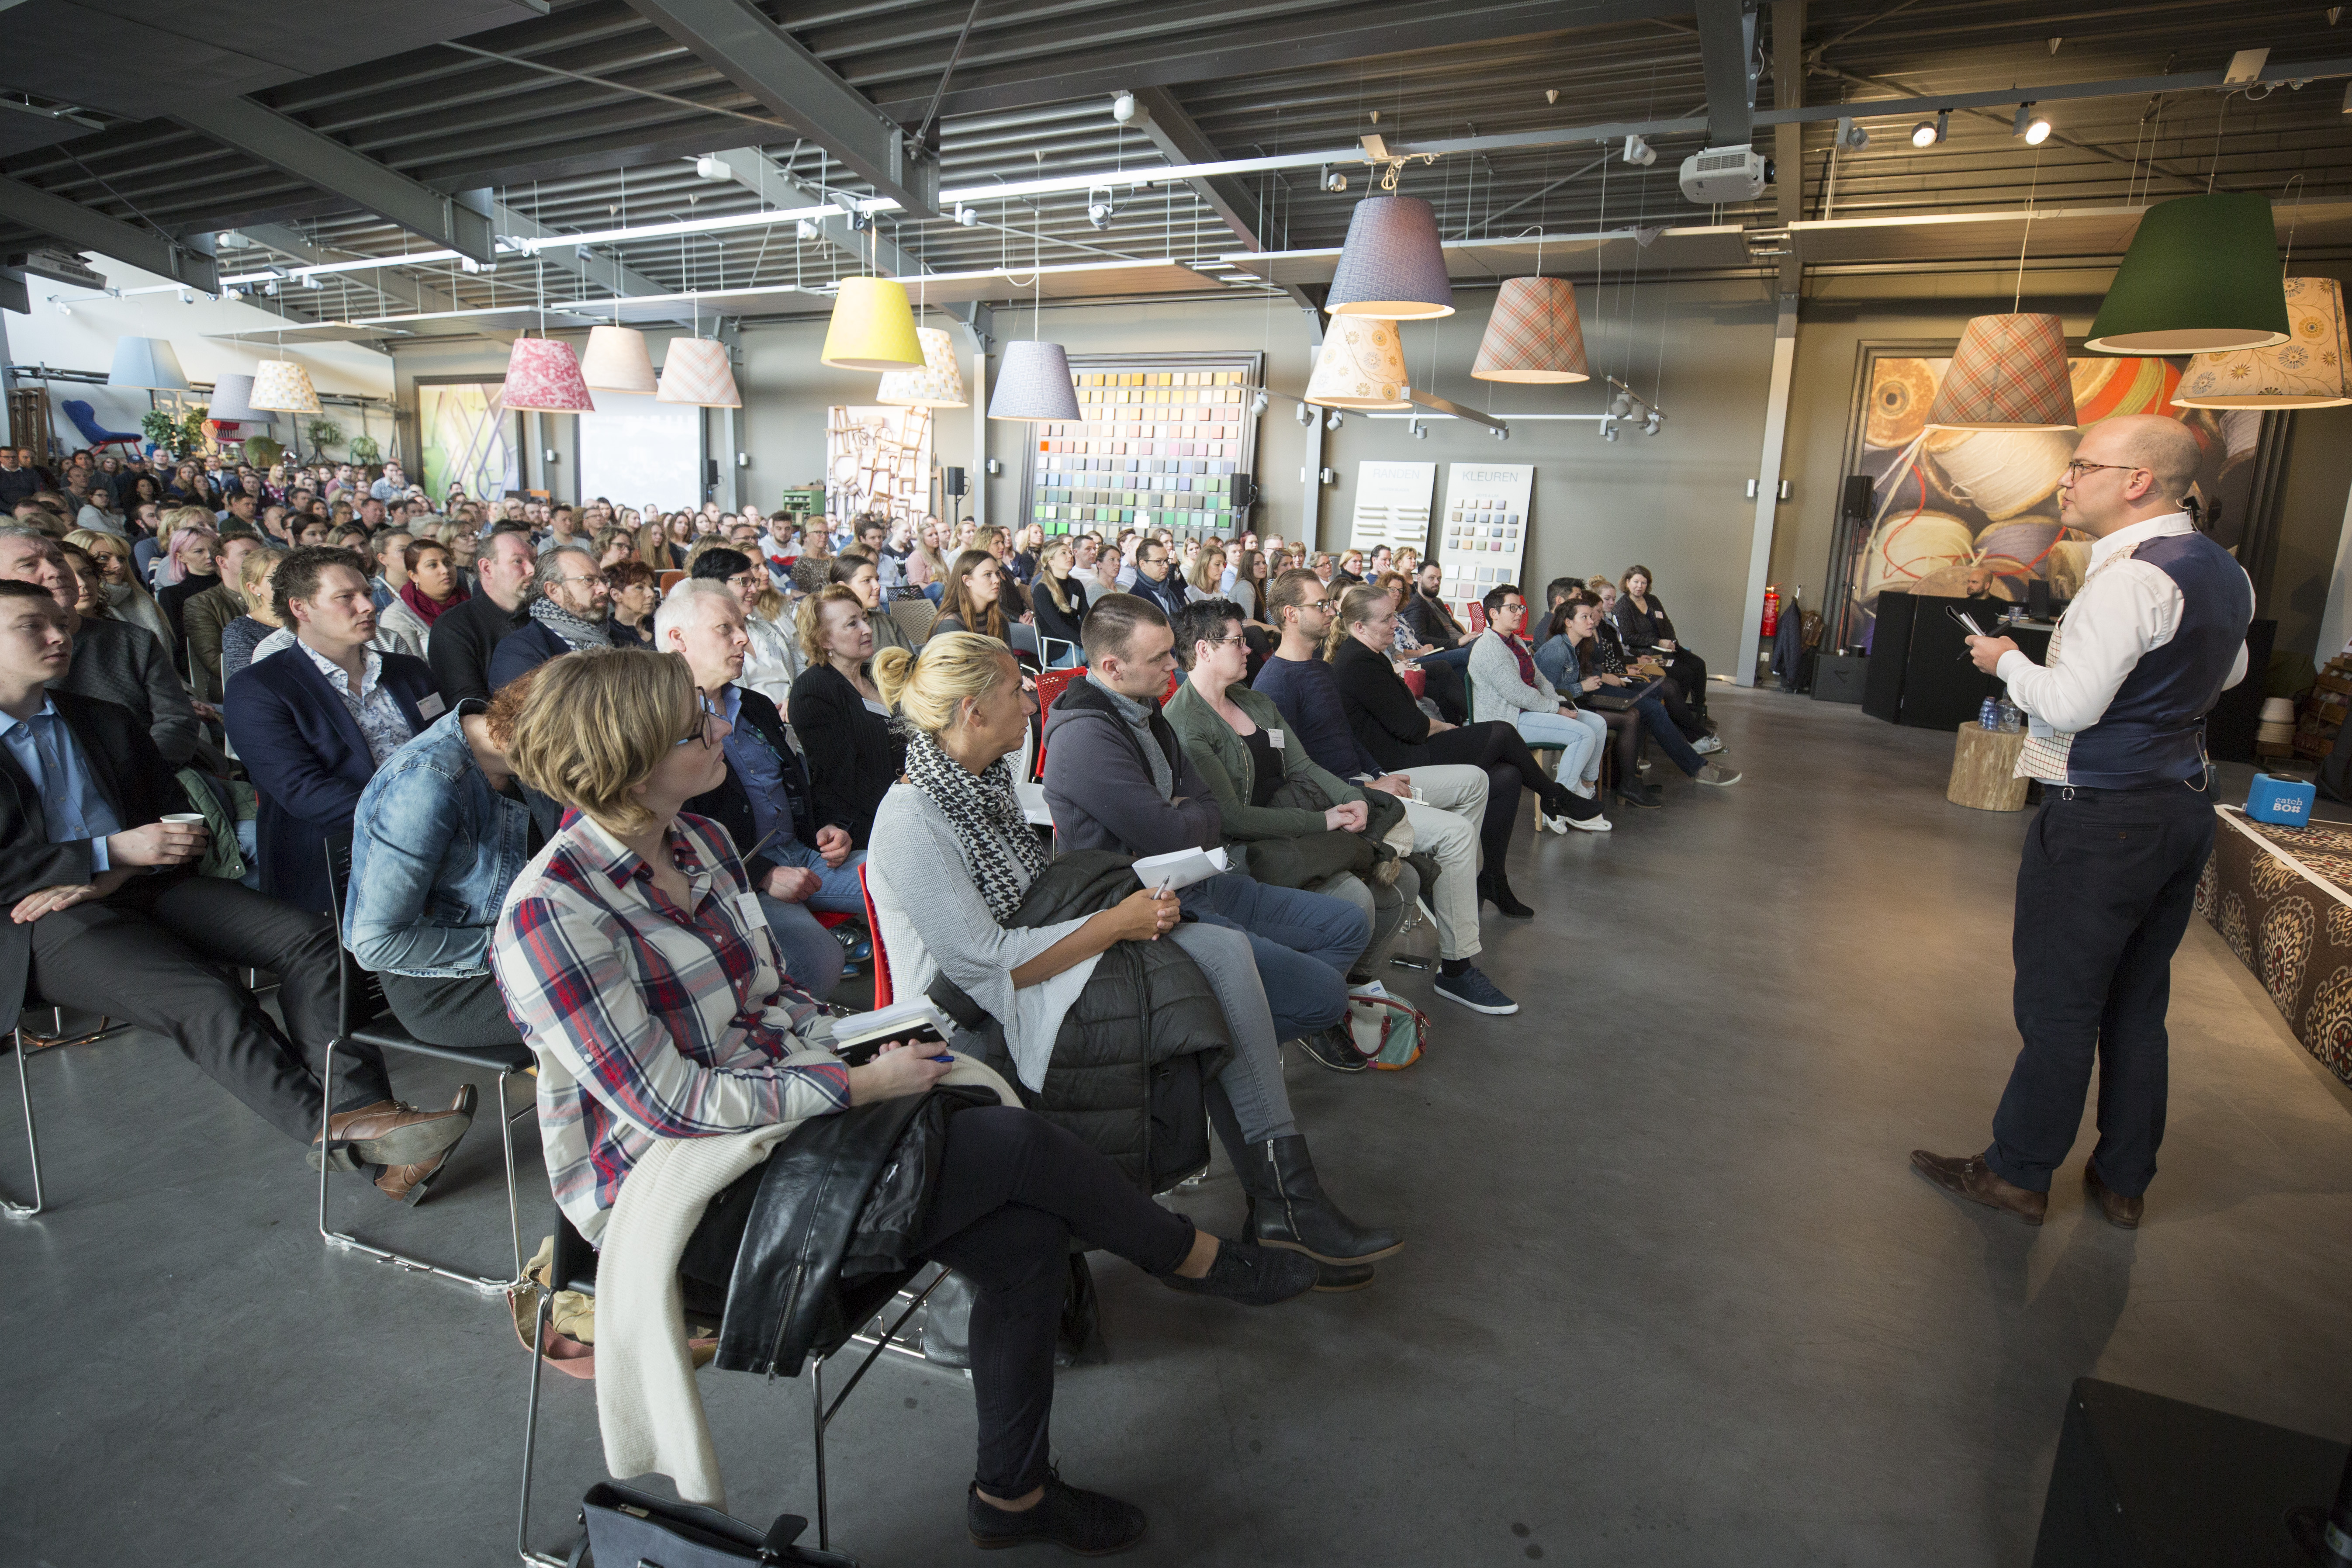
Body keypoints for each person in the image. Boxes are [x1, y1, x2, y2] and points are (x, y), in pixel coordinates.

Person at [491, 647, 1311, 1557]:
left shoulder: (702, 844)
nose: (722, 727)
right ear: (631, 760)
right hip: (680, 1197)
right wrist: (855, 1079)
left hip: (778, 1119)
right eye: (697, 728)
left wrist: (861, 1041)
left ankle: (1013, 1495)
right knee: (1014, 1148)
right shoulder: (550, 913)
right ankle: (1187, 1257)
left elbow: (774, 1004)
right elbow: (671, 1103)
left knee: (1027, 1234)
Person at [868, 632, 1395, 1271]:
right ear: (972, 712)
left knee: (1222, 966)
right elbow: (989, 966)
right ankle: (1285, 1201)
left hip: (1046, 974)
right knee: (1216, 987)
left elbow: (1044, 902)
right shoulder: (913, 817)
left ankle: (1284, 1200)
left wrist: (1122, 915)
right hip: (977, 1021)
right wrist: (1117, 922)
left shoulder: (980, 785)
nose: (1033, 703)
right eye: (1016, 691)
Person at [0, 579, 473, 1198]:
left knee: (315, 941)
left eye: (59, 621)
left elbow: (174, 822)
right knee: (206, 998)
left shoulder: (104, 719)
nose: (60, 635)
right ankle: (358, 1136)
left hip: (137, 886)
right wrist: (106, 852)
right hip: (37, 919)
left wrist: (114, 869)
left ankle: (370, 1119)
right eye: (30, 626)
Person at [1912, 415, 2254, 1231]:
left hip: (2103, 816)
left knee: (2060, 1003)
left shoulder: (2131, 577)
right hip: (2179, 806)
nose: (2064, 481)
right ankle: (2122, 1179)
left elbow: (2068, 703)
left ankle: (2017, 1172)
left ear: (2137, 480)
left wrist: (2006, 663)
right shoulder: (2222, 573)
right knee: (2137, 1000)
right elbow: (2228, 670)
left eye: (2081, 466)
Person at [1043, 593, 1374, 1061]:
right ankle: (1215, 1052)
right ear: (1113, 667)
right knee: (1324, 995)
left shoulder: (1147, 708)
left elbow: (1207, 811)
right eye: (1159, 657)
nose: (1171, 666)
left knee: (1348, 925)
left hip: (1198, 881)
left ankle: (1233, 1032)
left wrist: (1187, 811)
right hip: (1150, 908)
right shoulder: (1088, 736)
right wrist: (1188, 812)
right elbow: (1179, 830)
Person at [1250, 570, 1508, 1013]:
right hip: (1340, 800)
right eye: (1320, 605)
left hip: (1364, 781)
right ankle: (1458, 967)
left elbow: (1346, 738)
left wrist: (1375, 771)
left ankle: (1441, 883)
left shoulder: (1318, 668)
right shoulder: (1275, 683)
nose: (1330, 611)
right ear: (1290, 615)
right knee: (1456, 835)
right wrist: (1364, 784)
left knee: (1475, 780)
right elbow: (1293, 773)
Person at [1165, 599, 1423, 984]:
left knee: (1408, 881)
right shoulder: (1185, 722)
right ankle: (1319, 1000)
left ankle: (1353, 984)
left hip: (1291, 826)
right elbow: (1232, 817)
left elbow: (1302, 765)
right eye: (1238, 641)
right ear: (1204, 650)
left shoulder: (1254, 701)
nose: (1249, 647)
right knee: (1359, 899)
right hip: (1240, 851)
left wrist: (1352, 797)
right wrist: (1324, 820)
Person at [1325, 582, 1601, 917]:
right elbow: (1412, 726)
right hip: (1400, 760)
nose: (1395, 625)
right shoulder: (1360, 663)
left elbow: (1411, 718)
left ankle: (1494, 877)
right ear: (1360, 627)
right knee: (1501, 732)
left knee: (1508, 775)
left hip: (1409, 747)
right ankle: (1554, 796)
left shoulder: (1369, 656)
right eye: (1387, 620)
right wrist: (1447, 727)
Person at [655, 580, 863, 999]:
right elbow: (673, 830)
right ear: (678, 639)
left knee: (912, 876)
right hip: (737, 875)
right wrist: (763, 874)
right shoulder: (659, 722)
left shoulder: (754, 705)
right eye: (725, 628)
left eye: (742, 626)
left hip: (803, 851)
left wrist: (829, 825)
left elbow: (797, 782)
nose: (743, 638)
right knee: (815, 963)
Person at [225, 546, 440, 917]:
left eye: (368, 594)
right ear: (300, 608)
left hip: (441, 838)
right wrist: (426, 815)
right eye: (346, 598)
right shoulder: (258, 688)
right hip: (338, 856)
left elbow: (448, 744)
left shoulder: (408, 671)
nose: (368, 606)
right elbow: (304, 793)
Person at [347, 671, 540, 1055]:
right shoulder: (425, 783)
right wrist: (518, 945)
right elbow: (376, 943)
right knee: (629, 995)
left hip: (512, 948)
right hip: (446, 985)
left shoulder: (504, 755)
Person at [0, 525, 201, 765]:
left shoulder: (133, 641)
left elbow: (177, 720)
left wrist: (137, 775)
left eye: (57, 559)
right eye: (29, 565)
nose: (55, 571)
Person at [1538, 592, 1737, 810]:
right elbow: (1545, 692)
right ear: (1568, 622)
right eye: (1585, 617)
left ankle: (1630, 779)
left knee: (1649, 704)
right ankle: (1638, 780)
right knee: (1641, 712)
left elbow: (1576, 675)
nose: (1593, 621)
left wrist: (1587, 681)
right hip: (1568, 707)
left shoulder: (1575, 645)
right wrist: (1582, 686)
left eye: (1591, 616)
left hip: (1581, 697)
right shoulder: (1556, 650)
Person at [1469, 585, 1611, 833]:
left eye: (1521, 608)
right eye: (1512, 608)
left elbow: (1540, 680)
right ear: (1493, 613)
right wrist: (1556, 710)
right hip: (1508, 720)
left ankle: (1584, 790)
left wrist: (1562, 703)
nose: (1519, 613)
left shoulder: (1515, 643)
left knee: (1597, 724)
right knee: (1583, 733)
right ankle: (1558, 806)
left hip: (1528, 712)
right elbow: (1517, 693)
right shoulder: (1489, 647)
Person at [789, 583, 908, 851]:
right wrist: (904, 806)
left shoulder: (876, 676)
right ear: (825, 640)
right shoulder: (814, 690)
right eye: (852, 624)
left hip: (909, 802)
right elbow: (843, 778)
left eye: (864, 620)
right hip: (865, 825)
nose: (867, 629)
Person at [427, 528, 536, 705]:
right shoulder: (453, 628)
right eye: (518, 562)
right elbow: (468, 705)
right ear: (487, 568)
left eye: (533, 561)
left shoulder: (544, 614)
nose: (532, 570)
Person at [487, 542, 612, 690]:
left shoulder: (620, 636)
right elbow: (528, 712)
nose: (604, 589)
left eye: (604, 581)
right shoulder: (520, 651)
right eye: (589, 580)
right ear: (553, 591)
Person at [688, 544, 798, 710]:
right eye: (744, 582)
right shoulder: (705, 641)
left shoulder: (767, 629)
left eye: (753, 581)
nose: (754, 590)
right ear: (716, 585)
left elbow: (800, 671)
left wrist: (797, 703)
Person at [1612, 564, 1709, 721]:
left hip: (1667, 647)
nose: (1640, 587)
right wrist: (1658, 642)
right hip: (1648, 653)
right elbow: (1629, 637)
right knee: (1684, 673)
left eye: (1644, 583)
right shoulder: (1622, 607)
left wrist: (1672, 641)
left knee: (1699, 665)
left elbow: (1667, 623)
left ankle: (1699, 709)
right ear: (1627, 582)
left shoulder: (1653, 600)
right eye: (1636, 582)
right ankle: (1678, 714)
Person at [180, 530, 266, 703]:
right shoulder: (202, 604)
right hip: (237, 691)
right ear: (222, 562)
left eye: (259, 554)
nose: (256, 560)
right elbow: (215, 662)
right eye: (246, 554)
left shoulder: (272, 595)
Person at [66, 526, 174, 651]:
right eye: (104, 558)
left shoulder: (140, 598)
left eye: (121, 559)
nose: (118, 565)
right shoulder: (76, 607)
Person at [375, 536, 468, 658]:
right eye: (433, 565)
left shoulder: (469, 602)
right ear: (414, 576)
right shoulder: (399, 616)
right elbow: (412, 669)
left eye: (448, 563)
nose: (445, 570)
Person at [219, 545, 290, 682]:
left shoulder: (311, 617)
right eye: (274, 578)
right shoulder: (239, 631)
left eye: (288, 575)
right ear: (253, 588)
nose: (284, 583)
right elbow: (247, 682)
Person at [830, 552, 910, 655]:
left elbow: (910, 664)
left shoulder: (888, 622)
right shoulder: (831, 628)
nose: (877, 586)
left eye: (877, 579)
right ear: (843, 587)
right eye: (867, 581)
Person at [934, 547, 1018, 641]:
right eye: (988, 575)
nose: (997, 580)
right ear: (967, 581)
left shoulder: (998, 620)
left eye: (997, 574)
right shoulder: (950, 624)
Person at [1028, 537, 1088, 665]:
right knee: (1104, 659)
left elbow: (1087, 616)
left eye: (1070, 553)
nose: (1070, 556)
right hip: (1061, 650)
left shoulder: (1076, 585)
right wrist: (1084, 642)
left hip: (1079, 644)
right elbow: (1057, 626)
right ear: (1051, 562)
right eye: (1064, 553)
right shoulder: (1042, 589)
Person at [1400, 559, 1467, 651]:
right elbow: (1420, 639)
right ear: (1419, 579)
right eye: (1432, 578)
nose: (1437, 582)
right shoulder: (1415, 606)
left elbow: (1452, 625)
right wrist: (1458, 642)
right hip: (1449, 650)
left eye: (1439, 579)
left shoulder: (1437, 602)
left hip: (1462, 645)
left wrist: (1468, 637)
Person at [1125, 536, 1186, 620]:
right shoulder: (1134, 599)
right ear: (1143, 565)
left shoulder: (1175, 586)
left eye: (1166, 560)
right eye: (1159, 562)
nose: (1166, 566)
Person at [604, 559, 658, 647]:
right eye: (639, 587)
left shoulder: (660, 623)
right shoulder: (608, 635)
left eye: (651, 588)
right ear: (616, 595)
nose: (651, 594)